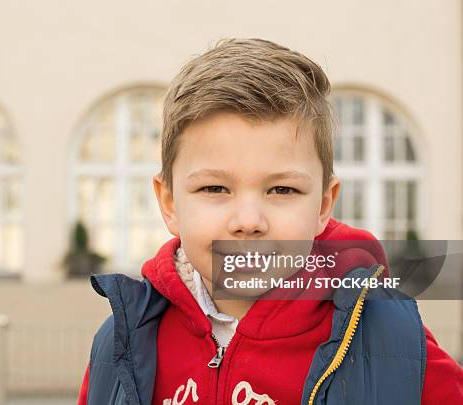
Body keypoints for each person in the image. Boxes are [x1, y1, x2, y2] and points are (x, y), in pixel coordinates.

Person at [77, 39, 463, 404]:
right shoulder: (123, 343)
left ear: (324, 204)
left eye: (282, 190)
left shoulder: (391, 343)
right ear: (169, 203)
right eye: (214, 188)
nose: (248, 221)